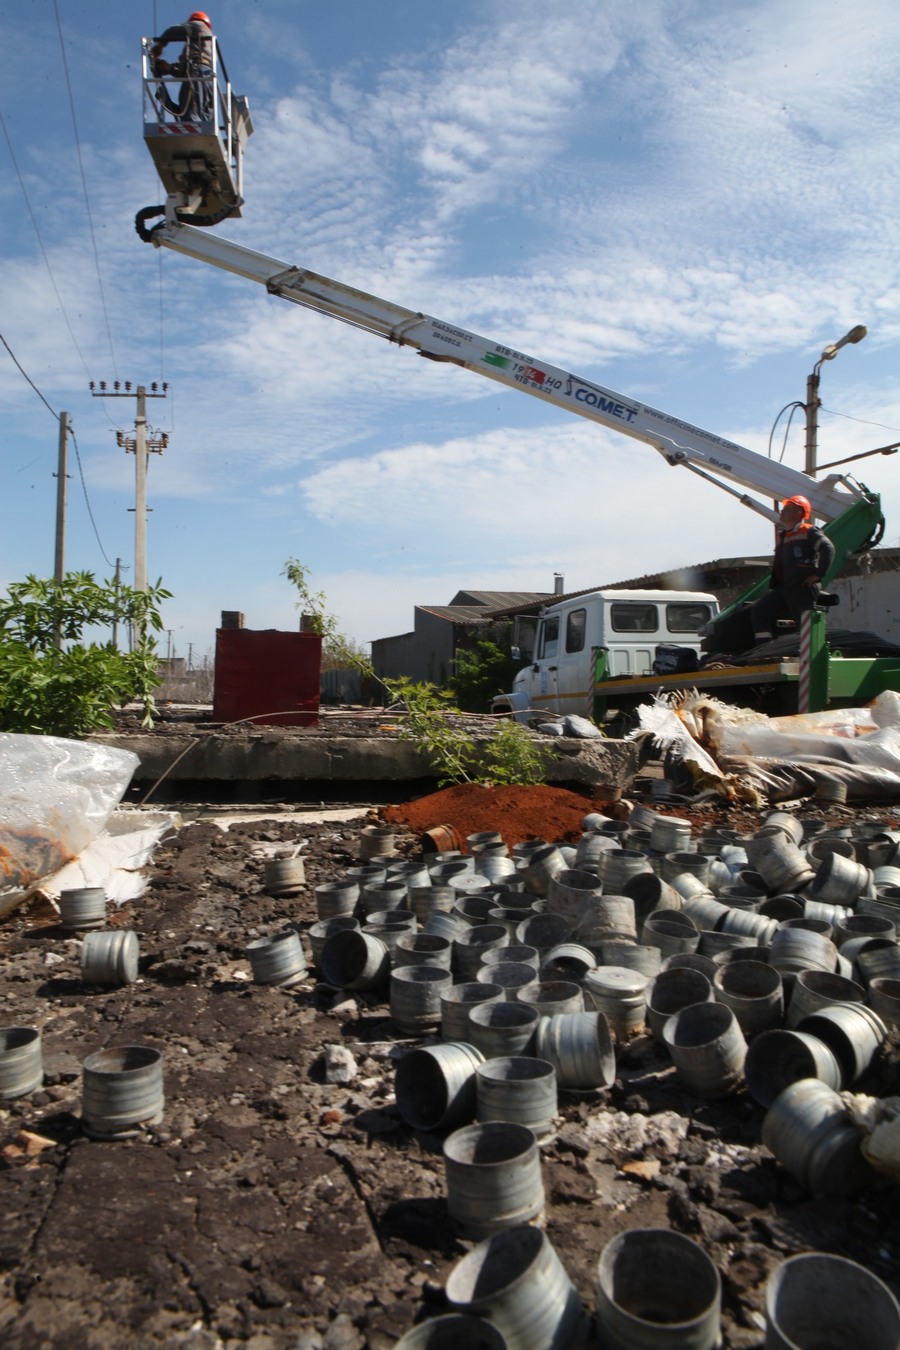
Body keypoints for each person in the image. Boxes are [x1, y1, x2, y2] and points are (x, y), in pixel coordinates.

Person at [749, 494, 838, 643]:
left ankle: (810, 655)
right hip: (785, 589)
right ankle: (764, 649)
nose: (782, 511)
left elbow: (828, 548)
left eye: (788, 509)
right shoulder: (785, 535)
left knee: (805, 625)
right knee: (759, 611)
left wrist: (818, 575)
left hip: (802, 588)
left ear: (799, 514)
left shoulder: (808, 531)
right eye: (783, 508)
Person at [150, 11, 214, 121]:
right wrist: (168, 68)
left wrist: (160, 45)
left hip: (197, 73)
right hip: (207, 78)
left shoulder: (198, 25)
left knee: (191, 117)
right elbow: (184, 70)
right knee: (202, 116)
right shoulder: (205, 45)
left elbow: (171, 31)